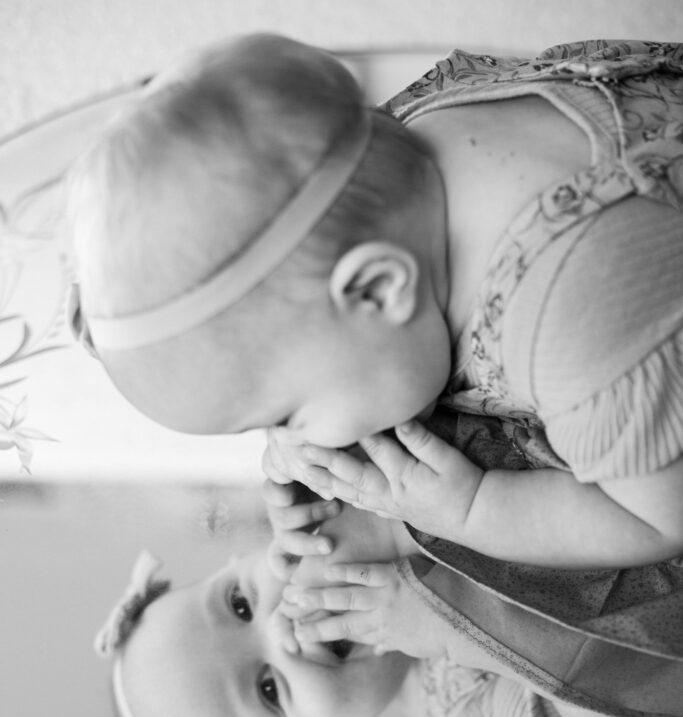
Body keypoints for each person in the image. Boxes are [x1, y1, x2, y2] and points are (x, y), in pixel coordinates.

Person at [66, 34, 683, 576]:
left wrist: (472, 507)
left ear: (377, 288)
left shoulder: (576, 322)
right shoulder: (404, 142)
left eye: (283, 413)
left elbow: (658, 519)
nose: (284, 438)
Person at [95, 495, 637, 717]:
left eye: (240, 604)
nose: (281, 624)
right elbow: (623, 673)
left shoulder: (320, 505)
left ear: (239, 557)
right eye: (267, 689)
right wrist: (455, 627)